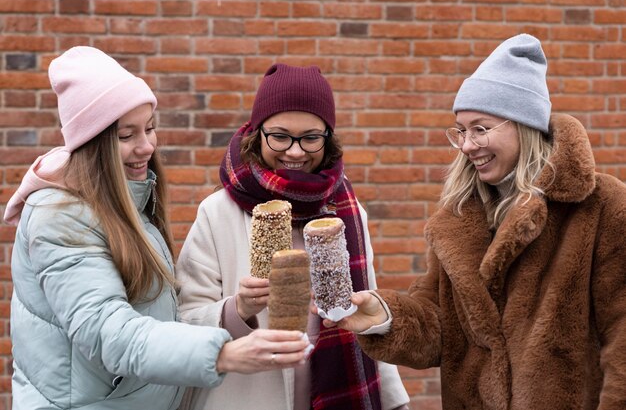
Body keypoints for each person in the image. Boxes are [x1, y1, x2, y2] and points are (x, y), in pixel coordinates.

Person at [321, 33, 626, 410]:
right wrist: (383, 317)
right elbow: (438, 327)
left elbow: (622, 339)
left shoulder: (601, 208)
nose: (466, 145)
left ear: (523, 124)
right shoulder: (459, 218)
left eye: (480, 128)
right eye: (461, 131)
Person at [4, 47, 311, 410]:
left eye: (149, 128)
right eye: (125, 135)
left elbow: (161, 317)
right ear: (92, 143)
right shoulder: (59, 217)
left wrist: (236, 309)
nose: (146, 146)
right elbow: (110, 335)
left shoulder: (129, 204)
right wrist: (222, 354)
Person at [175, 63, 410, 410]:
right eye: (281, 136)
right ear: (258, 133)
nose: (296, 152)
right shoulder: (218, 212)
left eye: (310, 137)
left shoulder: (347, 211)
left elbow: (365, 315)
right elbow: (183, 320)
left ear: (327, 138)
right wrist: (238, 309)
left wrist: (394, 403)